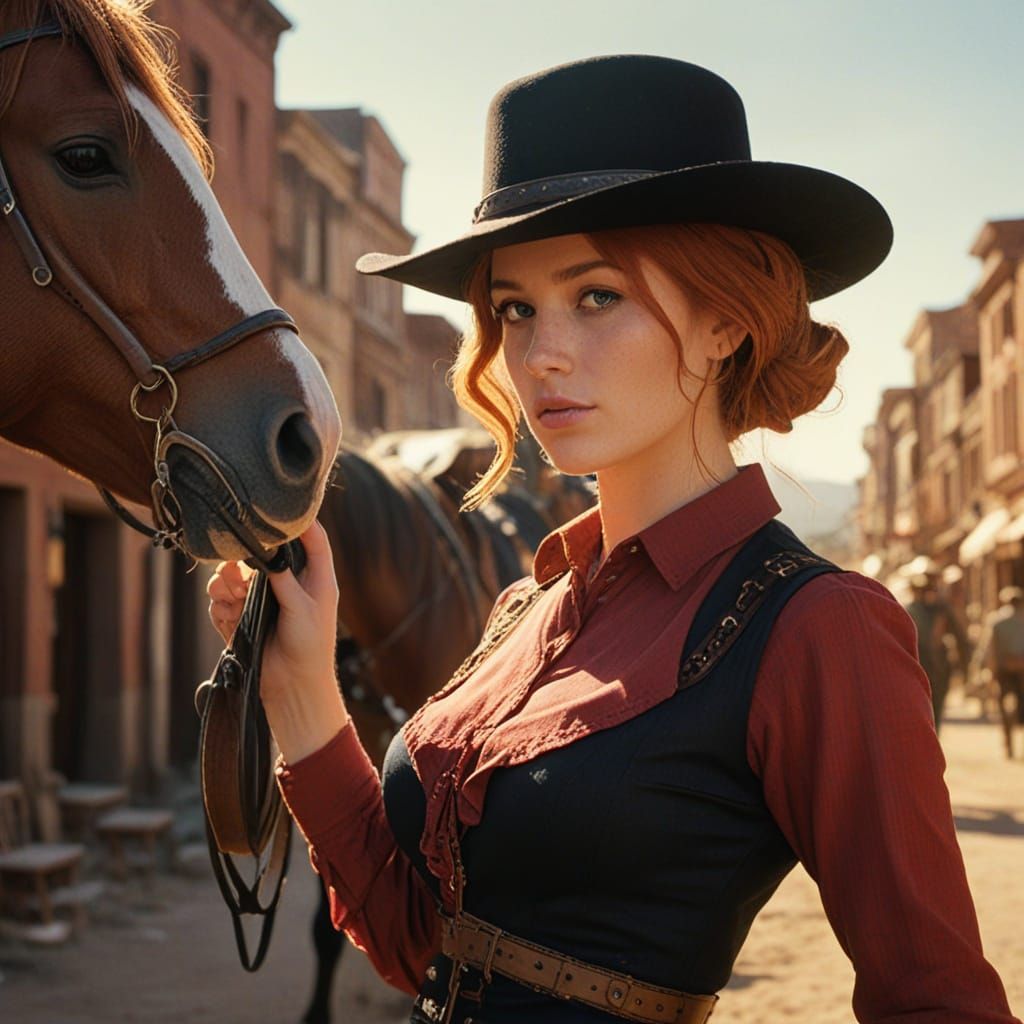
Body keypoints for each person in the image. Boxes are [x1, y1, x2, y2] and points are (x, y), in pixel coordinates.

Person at [208, 56, 1018, 1024]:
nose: (540, 353)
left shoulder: (820, 625)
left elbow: (937, 1001)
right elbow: (413, 939)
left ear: (724, 321)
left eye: (597, 296)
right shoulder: (525, 609)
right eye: (514, 308)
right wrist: (298, 687)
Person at [903, 571, 970, 731]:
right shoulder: (908, 610)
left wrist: (964, 666)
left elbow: (960, 639)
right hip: (920, 666)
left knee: (932, 710)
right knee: (927, 712)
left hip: (934, 667)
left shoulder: (939, 610)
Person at [970, 584, 1024, 758]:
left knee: (1003, 704)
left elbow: (988, 648)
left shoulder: (996, 620)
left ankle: (1008, 741)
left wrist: (984, 668)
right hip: (1020, 669)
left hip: (1003, 669)